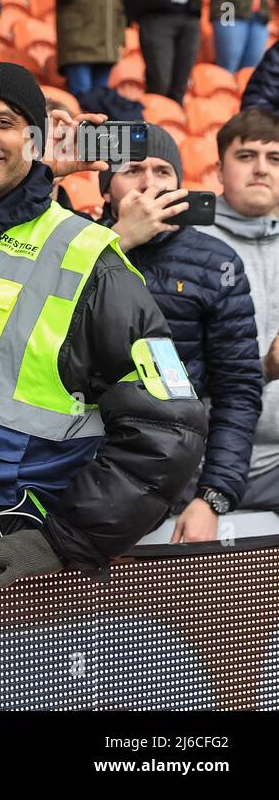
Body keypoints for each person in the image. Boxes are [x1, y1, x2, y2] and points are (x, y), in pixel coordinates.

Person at [0, 61, 206, 584]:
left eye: (4, 122)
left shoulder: (89, 258)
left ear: (33, 141)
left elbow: (170, 428)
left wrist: (65, 538)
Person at [100, 124, 262, 539]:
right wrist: (118, 243)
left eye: (163, 171)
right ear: (106, 190)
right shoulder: (75, 245)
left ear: (180, 185)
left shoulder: (217, 263)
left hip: (173, 476)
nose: (150, 182)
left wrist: (213, 496)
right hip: (78, 467)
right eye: (133, 169)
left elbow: (238, 390)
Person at [199, 109, 279, 512]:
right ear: (219, 169)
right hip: (199, 463)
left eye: (274, 158)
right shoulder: (188, 243)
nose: (261, 169)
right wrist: (265, 368)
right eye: (246, 156)